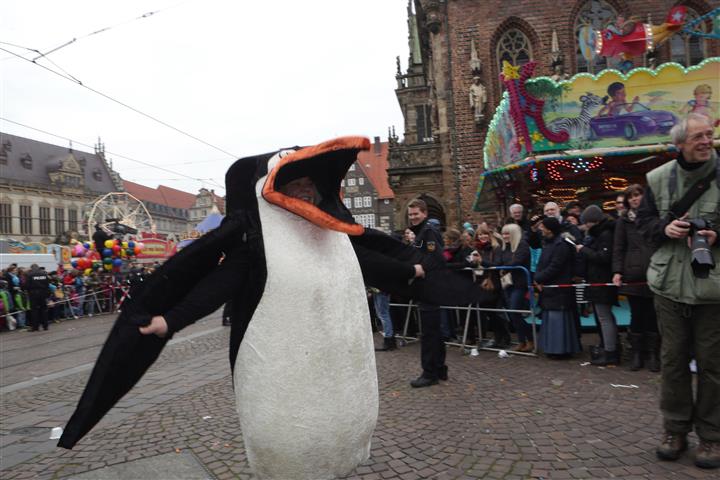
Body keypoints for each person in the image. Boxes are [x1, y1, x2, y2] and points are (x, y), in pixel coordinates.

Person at [636, 113, 720, 469]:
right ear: (680, 143)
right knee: (672, 362)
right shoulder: (657, 179)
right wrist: (664, 228)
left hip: (713, 288)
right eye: (698, 136)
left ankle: (712, 436)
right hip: (669, 284)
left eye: (709, 134)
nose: (706, 141)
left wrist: (717, 235)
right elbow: (643, 225)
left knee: (713, 364)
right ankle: (674, 430)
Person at [612, 184, 659, 372]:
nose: (634, 199)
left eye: (637, 195)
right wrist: (617, 271)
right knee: (637, 315)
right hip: (633, 273)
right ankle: (637, 353)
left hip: (654, 270)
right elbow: (618, 247)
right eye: (630, 196)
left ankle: (654, 353)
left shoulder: (655, 217)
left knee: (653, 315)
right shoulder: (623, 222)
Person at [406, 199, 447, 388]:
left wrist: (421, 269)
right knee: (434, 331)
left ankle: (429, 373)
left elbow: (436, 257)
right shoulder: (421, 232)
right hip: (429, 286)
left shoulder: (428, 231)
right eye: (410, 214)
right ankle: (440, 368)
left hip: (429, 286)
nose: (413, 217)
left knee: (429, 332)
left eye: (416, 214)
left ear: (424, 213)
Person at [577, 205, 619, 366]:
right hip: (599, 280)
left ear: (592, 221)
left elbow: (603, 257)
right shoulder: (603, 233)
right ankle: (610, 349)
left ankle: (610, 352)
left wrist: (583, 250)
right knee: (605, 317)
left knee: (604, 317)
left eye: (586, 222)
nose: (585, 226)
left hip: (601, 280)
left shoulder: (604, 234)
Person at [534, 217, 581, 357]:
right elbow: (543, 264)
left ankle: (560, 349)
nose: (541, 229)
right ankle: (554, 348)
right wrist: (538, 278)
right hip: (550, 287)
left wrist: (539, 278)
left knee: (558, 319)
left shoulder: (561, 245)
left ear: (549, 229)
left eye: (542, 227)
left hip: (559, 288)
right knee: (553, 317)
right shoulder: (550, 243)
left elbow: (555, 266)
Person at [499, 223, 533, 352]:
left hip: (519, 284)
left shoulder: (522, 245)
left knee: (514, 311)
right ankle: (521, 341)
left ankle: (530, 339)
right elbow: (501, 262)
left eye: (507, 233)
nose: (504, 236)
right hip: (509, 283)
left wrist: (503, 267)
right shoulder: (505, 247)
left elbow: (515, 262)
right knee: (513, 314)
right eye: (503, 233)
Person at [25, 264, 50, 331]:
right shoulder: (44, 274)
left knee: (34, 311)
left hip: (33, 294)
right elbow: (47, 284)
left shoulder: (30, 275)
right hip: (43, 293)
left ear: (32, 268)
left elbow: (27, 285)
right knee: (44, 309)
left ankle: (35, 327)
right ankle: (45, 326)